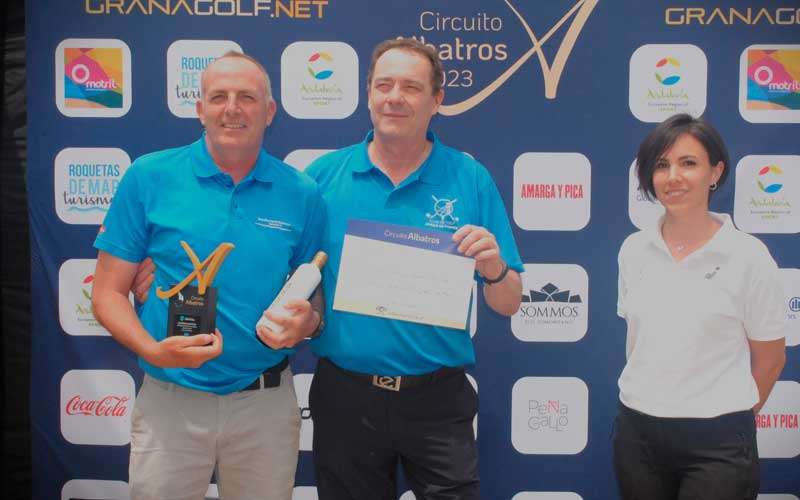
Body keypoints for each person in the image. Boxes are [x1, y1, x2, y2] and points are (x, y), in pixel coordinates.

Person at [92, 51, 325, 500]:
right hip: (169, 400)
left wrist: (307, 322)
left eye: (247, 97)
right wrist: (153, 351)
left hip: (264, 403)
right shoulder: (150, 177)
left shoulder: (302, 193)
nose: (232, 108)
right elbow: (107, 294)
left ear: (270, 110)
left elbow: (312, 292)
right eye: (218, 97)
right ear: (199, 108)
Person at [304, 38, 523, 500]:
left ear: (437, 100)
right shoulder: (322, 177)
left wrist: (495, 266)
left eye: (411, 86)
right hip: (346, 397)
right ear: (368, 94)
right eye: (383, 85)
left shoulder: (469, 177)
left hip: (437, 400)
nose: (395, 97)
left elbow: (509, 302)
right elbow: (291, 279)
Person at [614, 113, 786, 500]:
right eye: (661, 165)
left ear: (715, 172)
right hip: (637, 436)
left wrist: (725, 417)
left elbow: (771, 359)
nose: (672, 176)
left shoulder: (749, 256)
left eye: (688, 163)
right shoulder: (633, 250)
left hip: (718, 444)